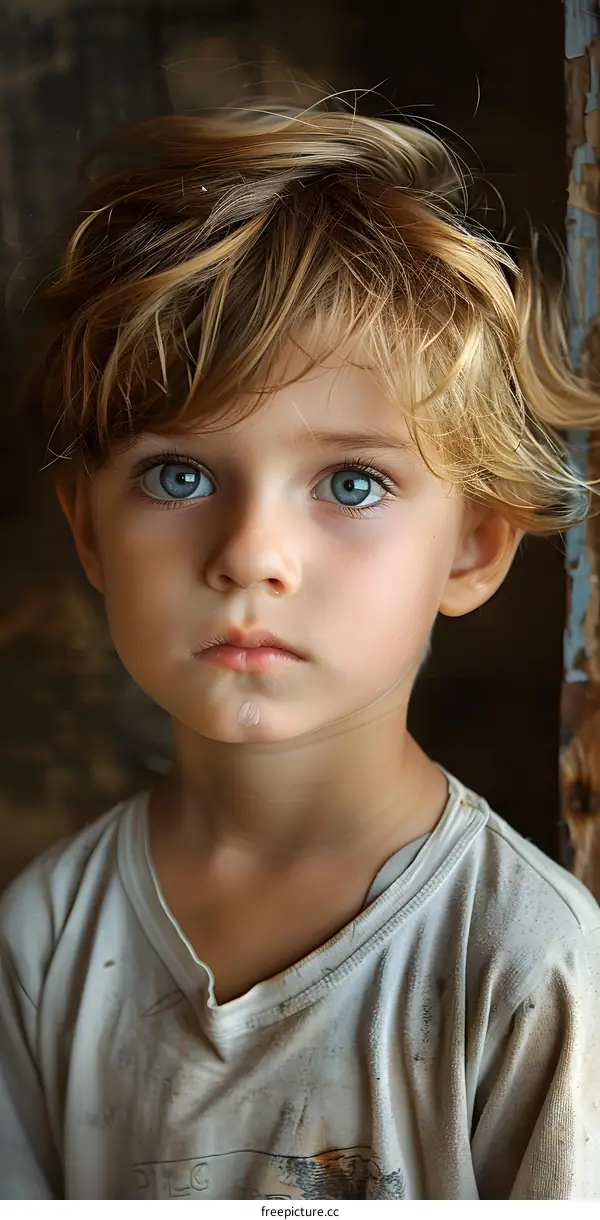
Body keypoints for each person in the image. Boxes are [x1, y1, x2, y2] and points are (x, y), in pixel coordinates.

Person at [1, 103, 600, 1202]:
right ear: (88, 529)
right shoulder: (42, 937)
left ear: (472, 548)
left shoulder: (531, 964)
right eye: (179, 474)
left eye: (352, 482)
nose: (249, 556)